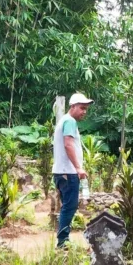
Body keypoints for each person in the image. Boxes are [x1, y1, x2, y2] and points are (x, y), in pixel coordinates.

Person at [53, 92, 92, 248]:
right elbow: (68, 144)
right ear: (73, 106)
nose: (84, 112)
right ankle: (63, 241)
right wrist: (78, 168)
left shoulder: (64, 121)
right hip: (68, 172)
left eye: (86, 109)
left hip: (62, 171)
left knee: (67, 205)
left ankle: (63, 239)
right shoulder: (69, 122)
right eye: (82, 108)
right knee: (70, 205)